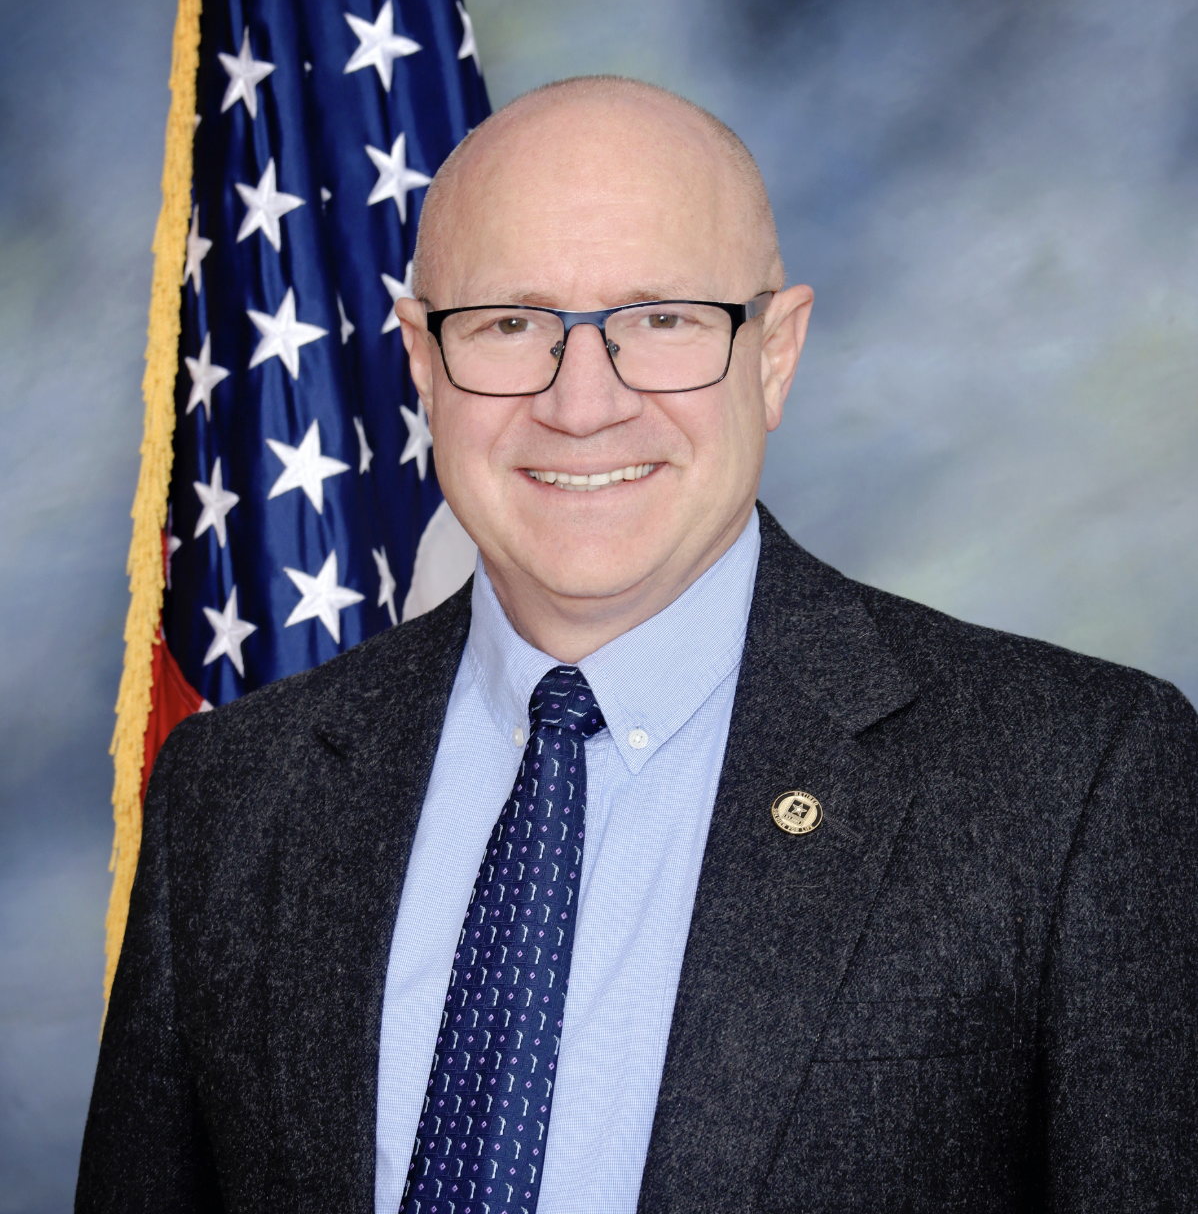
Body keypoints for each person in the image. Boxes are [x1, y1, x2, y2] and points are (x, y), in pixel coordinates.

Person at [77, 76, 1198, 1214]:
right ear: (421, 358)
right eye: (509, 323)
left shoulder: (1076, 783)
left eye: (662, 320)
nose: (582, 404)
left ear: (774, 354)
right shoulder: (232, 790)